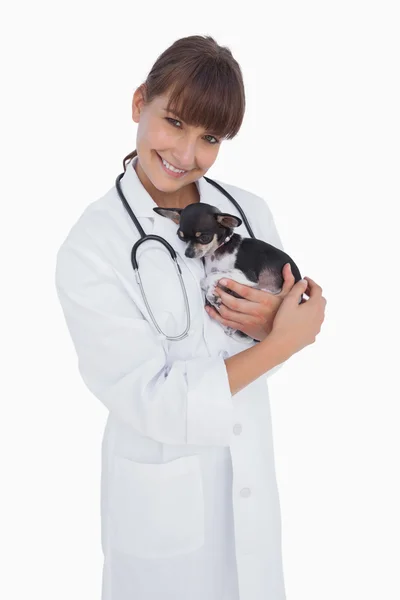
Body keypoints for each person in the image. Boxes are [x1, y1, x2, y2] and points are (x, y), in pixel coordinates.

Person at [55, 34, 326, 600]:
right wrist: (280, 340)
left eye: (210, 137)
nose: (187, 153)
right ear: (138, 104)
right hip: (158, 516)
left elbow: (273, 330)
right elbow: (150, 398)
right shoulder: (92, 245)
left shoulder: (249, 212)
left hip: (250, 491)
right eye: (173, 121)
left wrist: (276, 328)